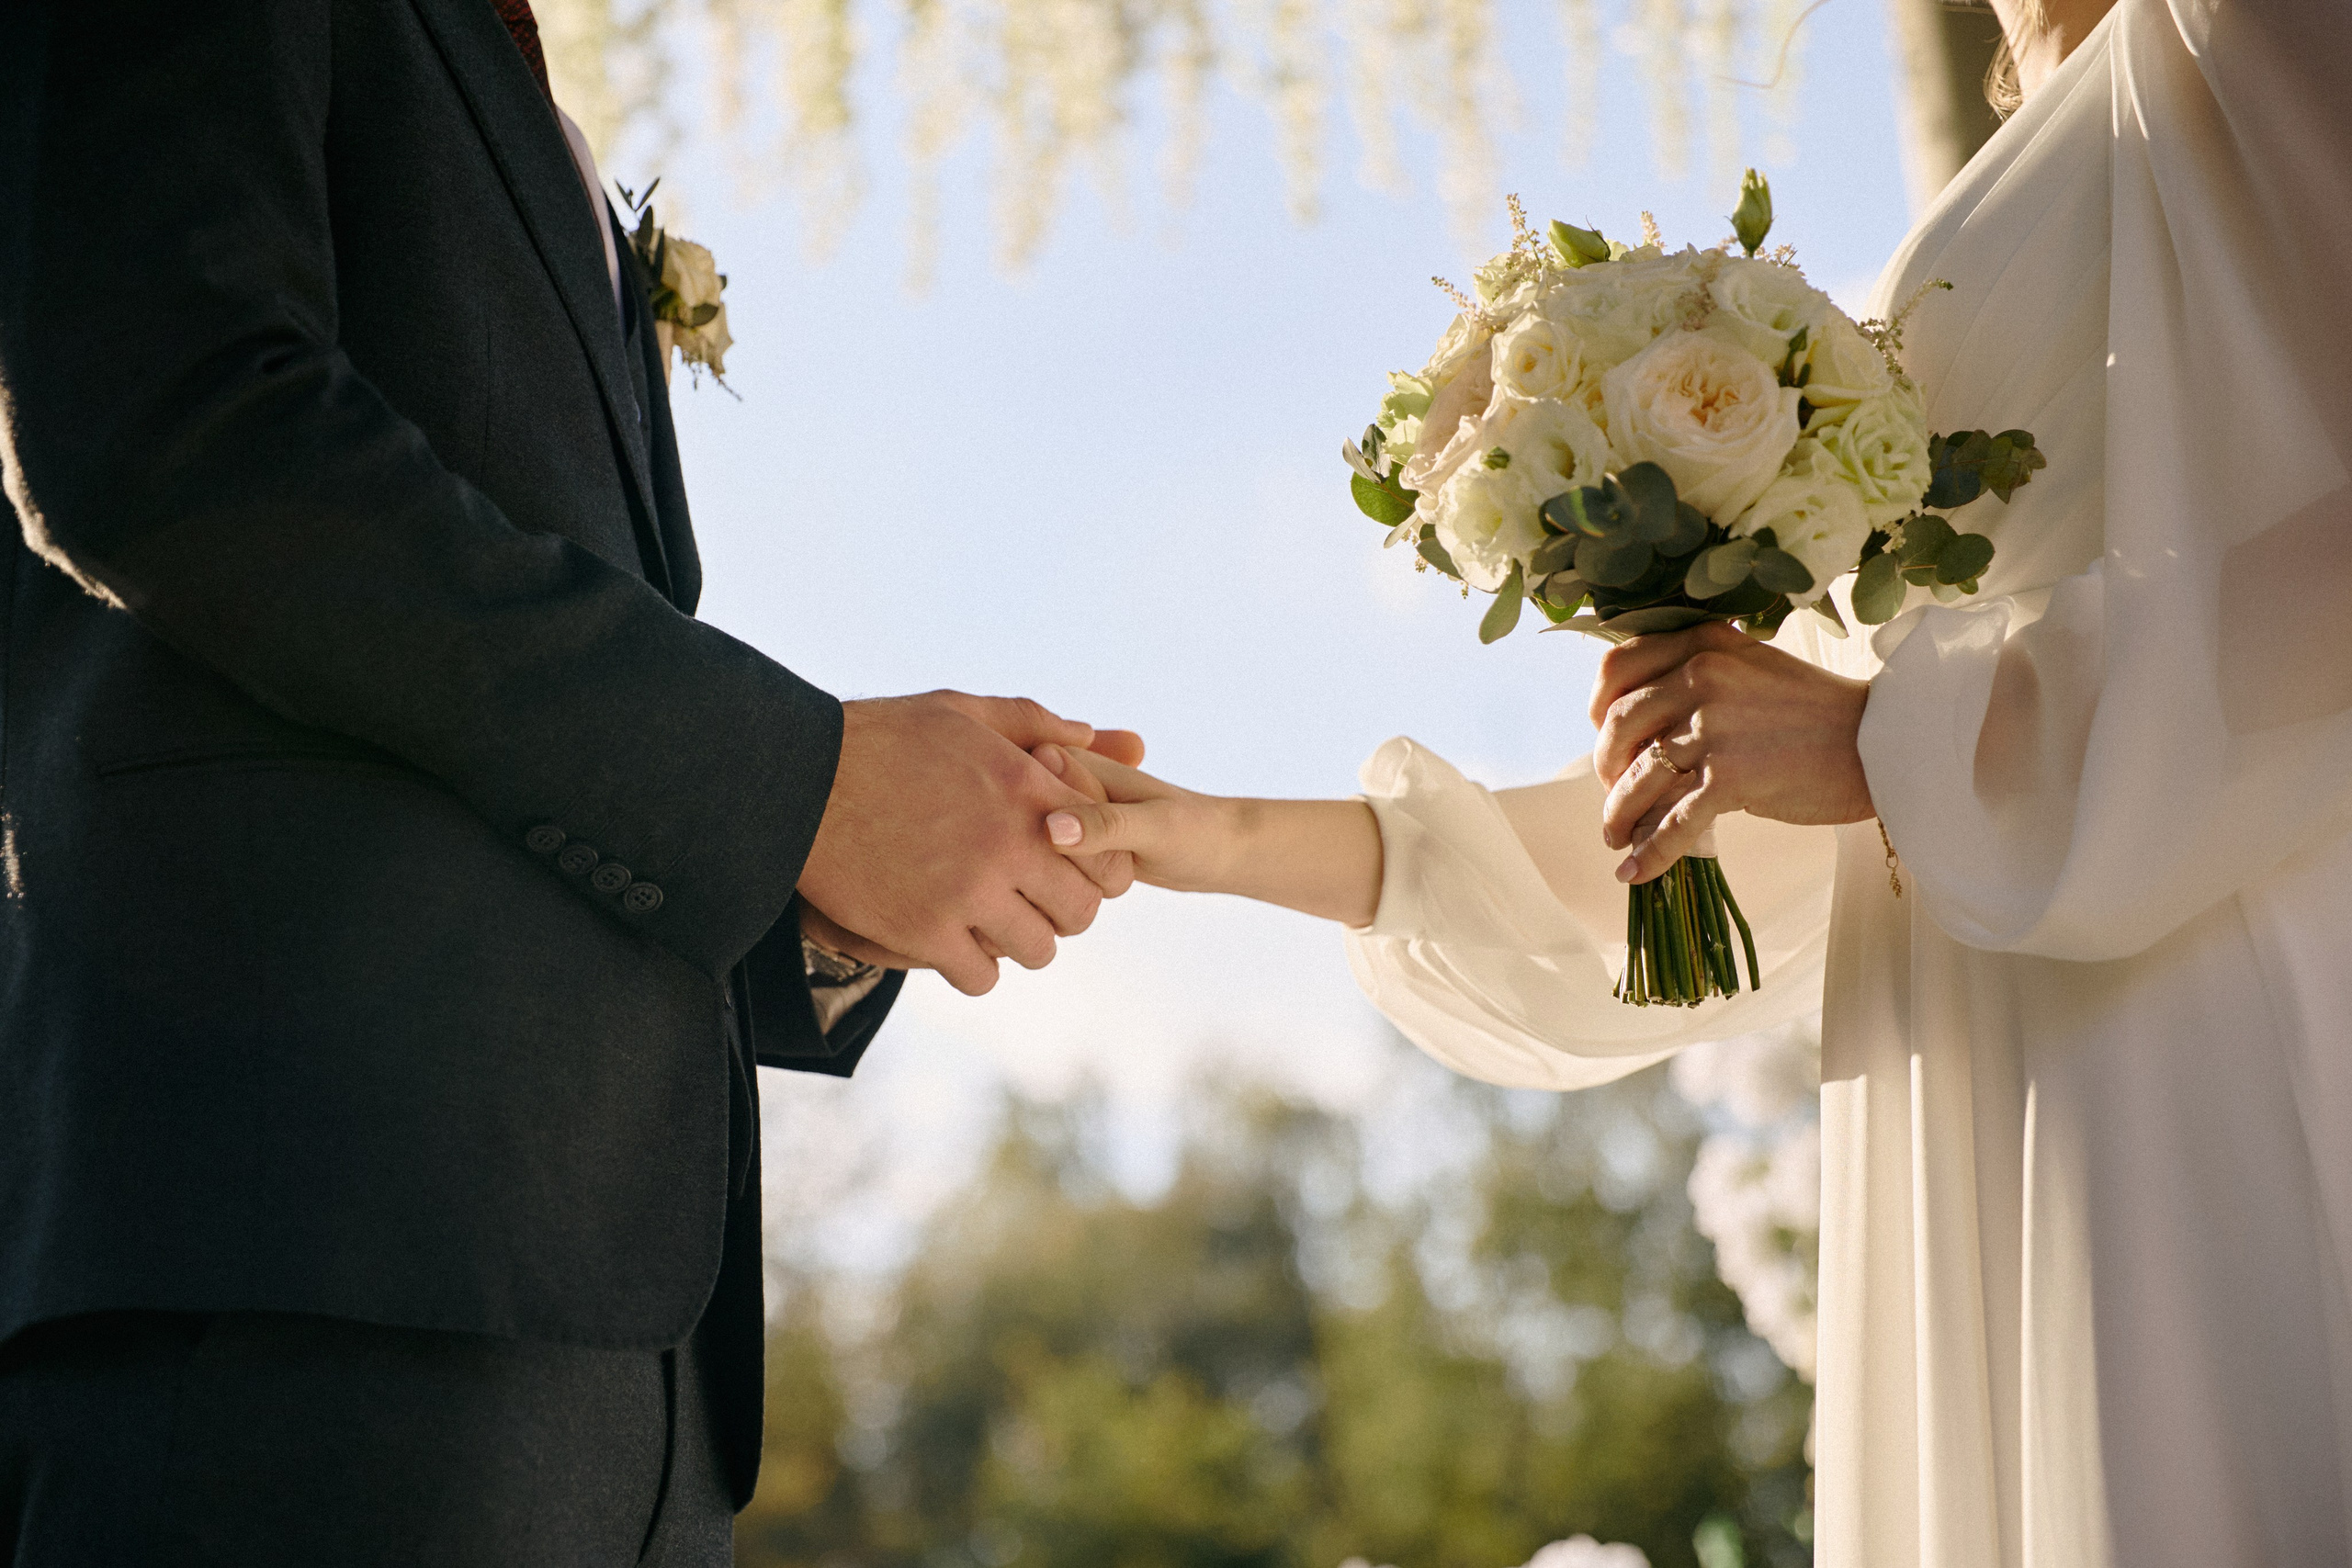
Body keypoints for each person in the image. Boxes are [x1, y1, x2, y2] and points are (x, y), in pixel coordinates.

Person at [1038, 0, 2352, 1560]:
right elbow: (1764, 816)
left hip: (2201, 1040)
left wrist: (1910, 743)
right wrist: (1218, 837)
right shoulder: (2019, 146)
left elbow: (1892, 747)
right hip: (1982, 1067)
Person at [0, 2, 1139, 1562]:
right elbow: (178, 424)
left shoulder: (529, 93)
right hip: (308, 1271)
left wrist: (815, 898)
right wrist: (796, 784)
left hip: (628, 1370)